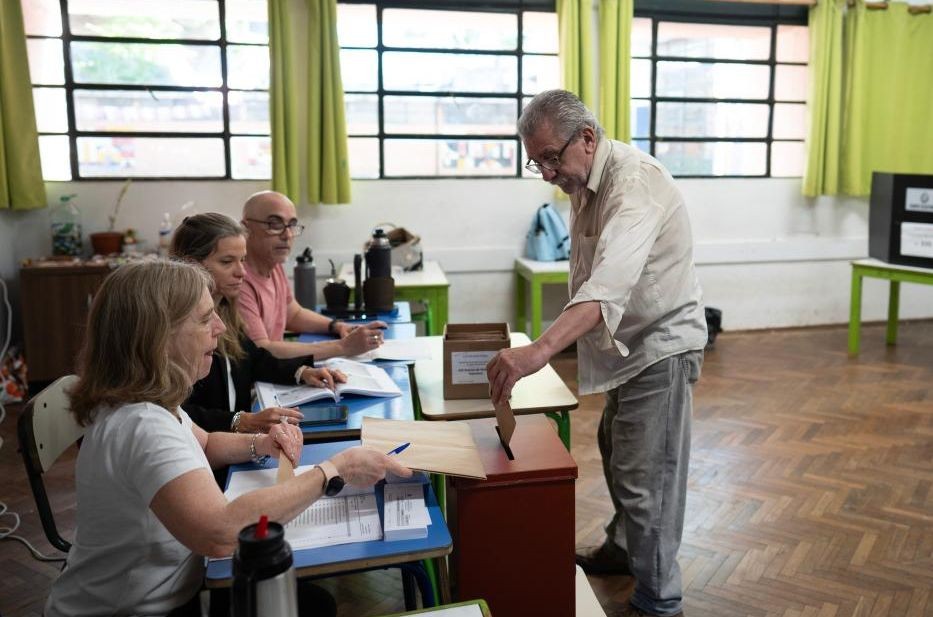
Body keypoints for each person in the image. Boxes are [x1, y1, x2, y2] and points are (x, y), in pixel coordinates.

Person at [45, 260, 411, 617]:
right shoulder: (141, 424)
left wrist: (261, 444)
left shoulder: (147, 404)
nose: (220, 327)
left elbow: (203, 442)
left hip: (166, 595)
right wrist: (334, 470)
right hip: (130, 610)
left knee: (311, 602)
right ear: (158, 336)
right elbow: (220, 533)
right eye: (205, 318)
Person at [486, 90, 706, 617]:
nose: (545, 173)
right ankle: (624, 550)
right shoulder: (587, 178)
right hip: (629, 347)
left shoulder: (635, 184)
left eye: (551, 158)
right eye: (536, 162)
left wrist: (538, 351)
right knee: (617, 450)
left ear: (587, 137)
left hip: (660, 346)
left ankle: (659, 601)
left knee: (647, 478)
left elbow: (606, 288)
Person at [171, 212, 345, 435]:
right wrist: (238, 420)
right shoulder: (175, 330)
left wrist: (301, 372)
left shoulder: (225, 308)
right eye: (227, 262)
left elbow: (253, 359)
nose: (241, 272)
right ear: (191, 265)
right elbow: (174, 411)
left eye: (242, 260)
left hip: (234, 441)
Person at [238, 190, 386, 359]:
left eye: (292, 225)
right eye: (274, 224)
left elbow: (293, 314)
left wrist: (337, 326)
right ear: (246, 228)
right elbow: (262, 350)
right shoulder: (238, 281)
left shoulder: (273, 264)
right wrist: (343, 346)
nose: (287, 235)